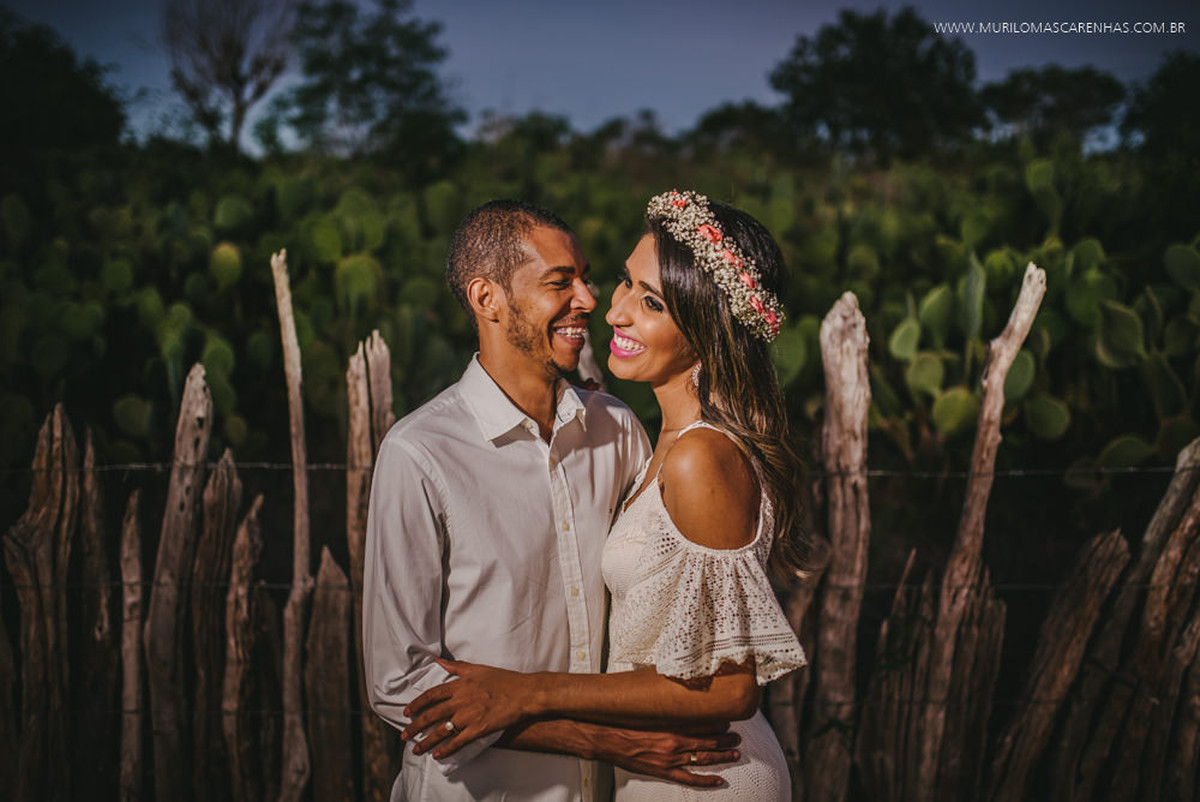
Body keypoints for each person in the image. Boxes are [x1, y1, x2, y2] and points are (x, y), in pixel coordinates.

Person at [402, 190, 812, 800]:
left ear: (704, 328)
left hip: (704, 773)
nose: (614, 311)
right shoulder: (651, 440)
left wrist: (526, 691)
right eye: (625, 282)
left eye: (650, 303)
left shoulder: (702, 455)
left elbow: (732, 689)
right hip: (659, 764)